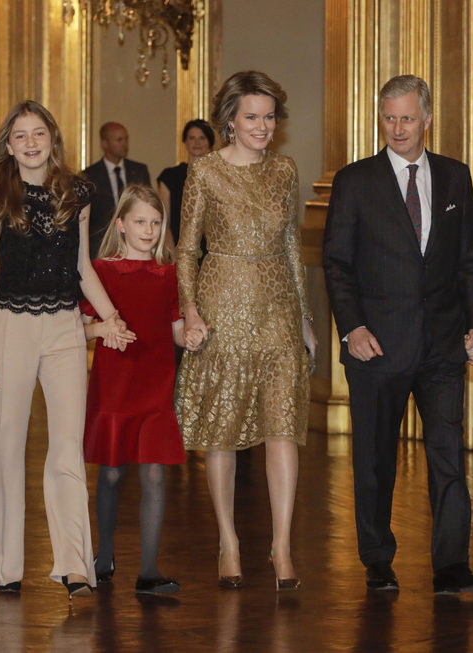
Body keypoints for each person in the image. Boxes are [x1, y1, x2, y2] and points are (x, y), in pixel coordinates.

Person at [322, 74, 473, 595]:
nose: (397, 128)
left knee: (448, 458)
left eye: (407, 118)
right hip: (376, 346)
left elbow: (470, 261)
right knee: (374, 461)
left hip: (442, 346)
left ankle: (450, 567)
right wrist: (351, 328)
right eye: (389, 118)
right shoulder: (355, 180)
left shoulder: (456, 177)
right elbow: (337, 264)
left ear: (428, 119)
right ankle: (377, 559)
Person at [0, 100, 132, 600]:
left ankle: (74, 566)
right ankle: (7, 568)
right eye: (19, 135)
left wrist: (110, 318)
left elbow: (84, 267)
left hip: (65, 326)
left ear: (52, 137)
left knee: (67, 447)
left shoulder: (77, 192)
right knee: (6, 449)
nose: (30, 143)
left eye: (37, 133)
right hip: (8, 328)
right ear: (8, 144)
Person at [175, 70, 317, 591]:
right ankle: (228, 541)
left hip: (277, 309)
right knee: (223, 432)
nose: (263, 125)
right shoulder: (205, 172)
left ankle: (281, 545)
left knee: (283, 427)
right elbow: (187, 249)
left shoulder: (284, 170)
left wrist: (303, 317)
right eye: (252, 116)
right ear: (230, 120)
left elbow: (292, 248)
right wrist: (190, 312)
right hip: (222, 307)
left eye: (269, 116)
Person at [82, 184, 201, 596]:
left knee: (153, 474)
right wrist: (100, 330)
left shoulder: (168, 274)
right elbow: (79, 327)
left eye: (155, 222)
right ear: (121, 224)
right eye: (140, 222)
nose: (148, 230)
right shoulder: (103, 271)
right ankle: (104, 554)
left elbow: (176, 330)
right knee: (112, 473)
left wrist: (194, 333)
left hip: (155, 385)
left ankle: (149, 569)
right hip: (116, 386)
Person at [82, 122, 151, 258]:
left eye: (126, 139)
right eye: (119, 140)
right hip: (101, 247)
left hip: (135, 244)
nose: (125, 144)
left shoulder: (139, 170)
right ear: (104, 143)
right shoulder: (88, 176)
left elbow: (148, 206)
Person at [157, 119, 214, 246]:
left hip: (213, 252)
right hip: (179, 248)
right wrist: (172, 252)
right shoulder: (169, 177)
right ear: (185, 142)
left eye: (202, 138)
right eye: (192, 138)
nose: (197, 142)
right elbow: (164, 220)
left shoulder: (220, 177)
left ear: (209, 143)